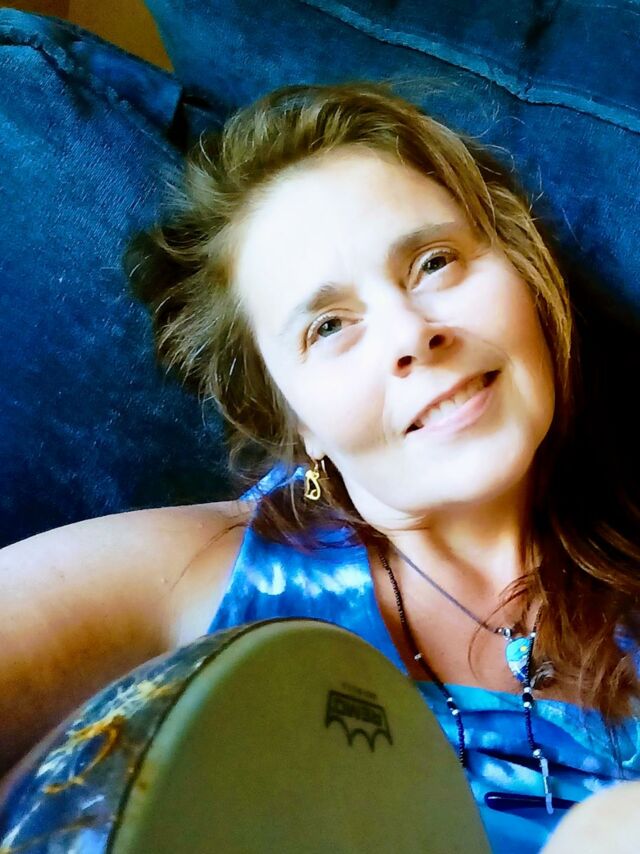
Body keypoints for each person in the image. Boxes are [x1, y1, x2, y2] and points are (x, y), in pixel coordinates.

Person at [2, 79, 639, 852]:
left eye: (434, 262)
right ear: (294, 418)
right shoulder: (207, 572)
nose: (410, 333)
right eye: (329, 326)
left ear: (523, 273)